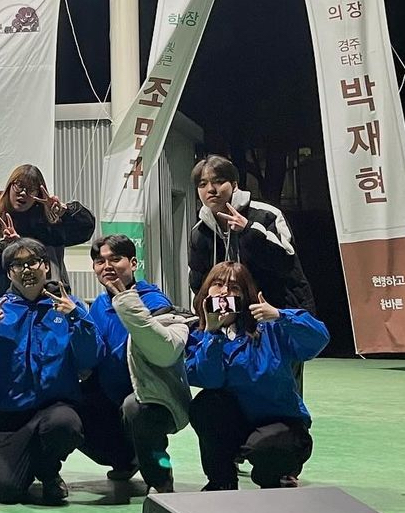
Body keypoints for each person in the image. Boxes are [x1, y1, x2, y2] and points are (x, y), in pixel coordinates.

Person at [0, 238, 100, 505]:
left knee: (65, 425)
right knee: (6, 489)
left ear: (46, 267)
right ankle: (27, 465)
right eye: (17, 265)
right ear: (9, 274)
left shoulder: (68, 306)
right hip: (11, 413)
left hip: (54, 407)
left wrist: (76, 318)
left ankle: (48, 471)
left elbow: (91, 357)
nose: (26, 270)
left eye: (32, 262)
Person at [186, 261, 329, 491]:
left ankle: (279, 475)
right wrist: (213, 335)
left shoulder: (271, 327)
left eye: (234, 287)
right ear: (206, 292)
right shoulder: (198, 335)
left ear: (245, 295)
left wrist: (281, 315)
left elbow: (319, 339)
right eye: (218, 284)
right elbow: (208, 379)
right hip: (237, 423)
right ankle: (222, 481)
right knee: (205, 404)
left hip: (281, 424)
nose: (224, 292)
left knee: (264, 449)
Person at [78, 235, 191, 495]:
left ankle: (160, 476)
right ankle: (125, 460)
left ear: (133, 263)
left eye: (115, 259)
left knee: (136, 408)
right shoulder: (98, 305)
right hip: (111, 396)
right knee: (65, 408)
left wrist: (128, 304)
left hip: (155, 398)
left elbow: (162, 350)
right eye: (99, 261)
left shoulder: (155, 302)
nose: (107, 266)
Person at [188, 155, 314, 313]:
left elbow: (287, 264)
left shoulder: (267, 215)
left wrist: (249, 229)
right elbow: (198, 284)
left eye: (219, 181)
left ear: (234, 185)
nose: (211, 189)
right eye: (202, 184)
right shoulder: (199, 232)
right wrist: (203, 315)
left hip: (277, 313)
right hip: (230, 316)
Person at [0, 164, 96, 289]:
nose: (23, 193)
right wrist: (6, 246)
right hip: (8, 297)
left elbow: (85, 230)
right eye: (19, 185)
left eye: (31, 189)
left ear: (38, 193)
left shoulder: (50, 222)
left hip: (52, 294)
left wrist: (65, 212)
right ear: (9, 186)